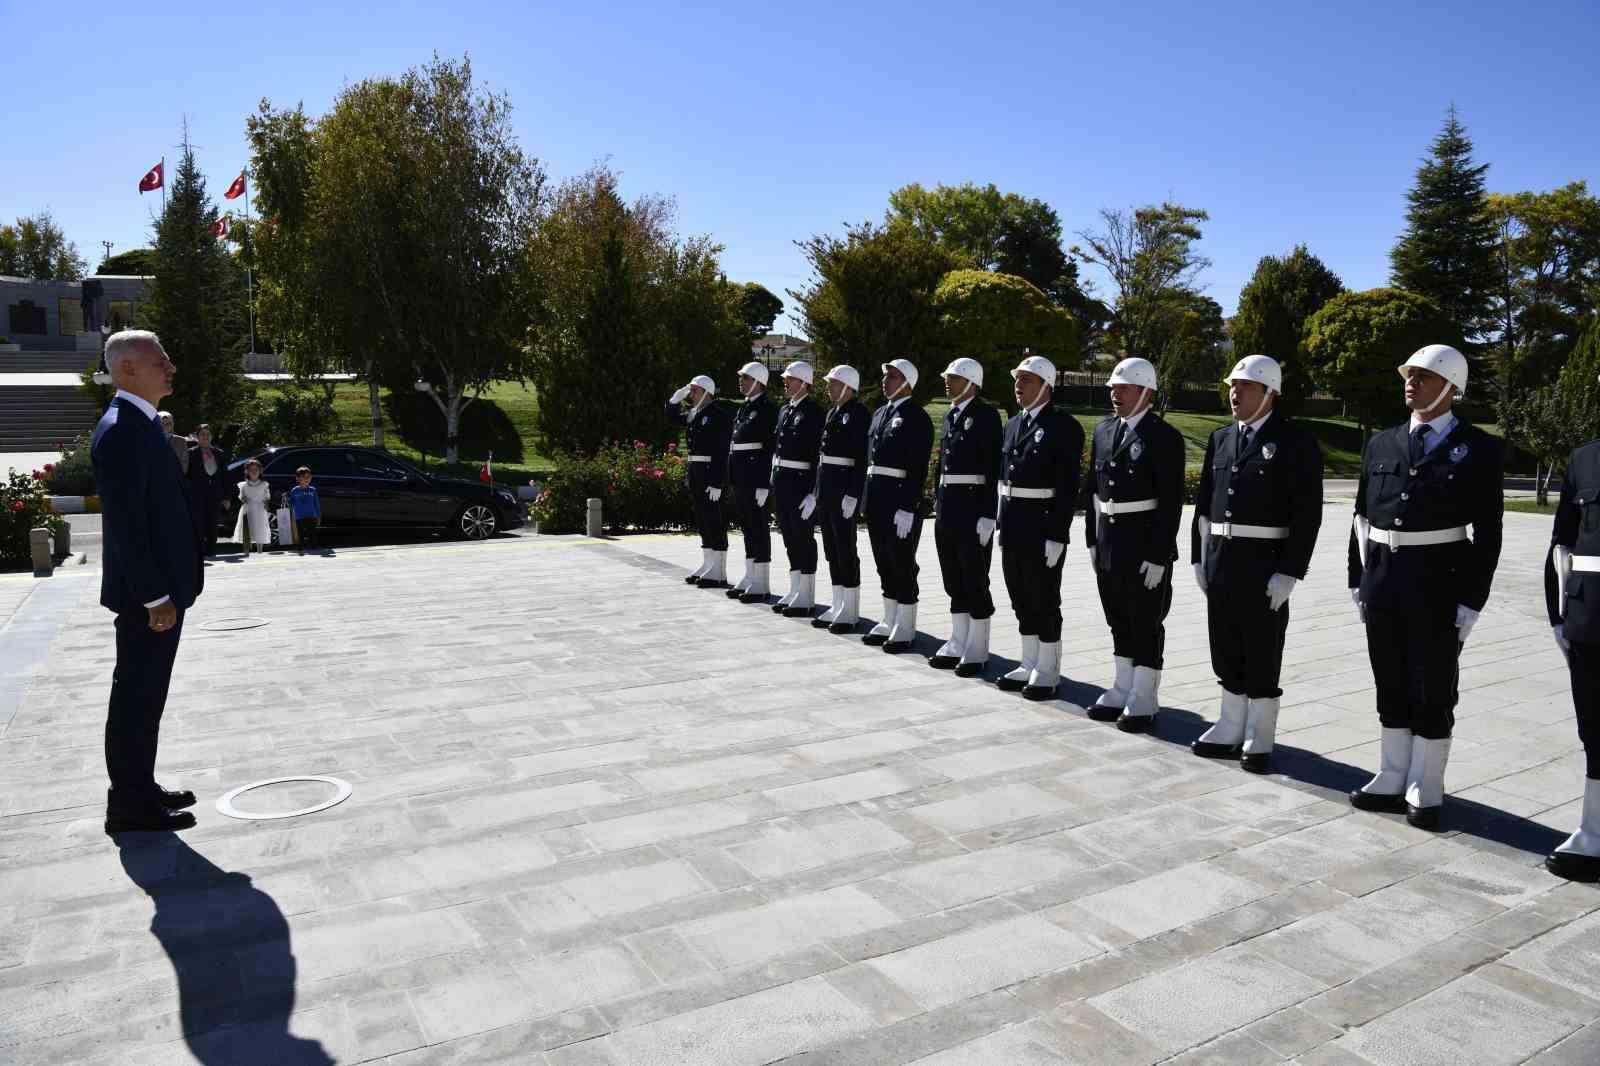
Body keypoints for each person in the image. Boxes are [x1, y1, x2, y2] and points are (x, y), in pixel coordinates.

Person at [1348, 344, 1503, 830]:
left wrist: (1471, 600)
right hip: (1384, 582)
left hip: (1438, 584)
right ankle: (1393, 773)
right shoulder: (1383, 443)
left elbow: (1489, 533)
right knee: (1389, 678)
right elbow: (1359, 514)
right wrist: (1357, 578)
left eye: (1423, 376)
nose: (1410, 383)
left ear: (1452, 387)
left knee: (1433, 685)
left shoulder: (1478, 448)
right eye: (1408, 375)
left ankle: (1426, 784)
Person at [91, 330, 203, 834]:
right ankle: (129, 805)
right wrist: (155, 595)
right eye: (162, 360)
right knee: (136, 696)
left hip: (159, 591)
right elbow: (127, 525)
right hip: (148, 598)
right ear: (129, 369)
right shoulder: (122, 430)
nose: (172, 367)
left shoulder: (141, 423)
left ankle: (139, 785)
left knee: (147, 696)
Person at [1189, 356, 1324, 772]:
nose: (1235, 393)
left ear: (1269, 393)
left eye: (1245, 387)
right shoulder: (1221, 438)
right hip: (1222, 560)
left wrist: (1290, 570)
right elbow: (1204, 504)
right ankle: (1230, 724)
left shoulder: (1295, 441)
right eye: (1233, 386)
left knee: (1262, 649)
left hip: (1264, 565)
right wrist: (1198, 556)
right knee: (1224, 645)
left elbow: (1307, 512)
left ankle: (1259, 735)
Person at [1083, 357, 1185, 732]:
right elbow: (1092, 491)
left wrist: (1160, 553)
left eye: (1123, 388)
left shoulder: (1164, 437)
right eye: (1113, 387)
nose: (1115, 393)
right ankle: (1122, 685)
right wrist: (1092, 539)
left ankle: (1144, 696)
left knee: (1145, 620)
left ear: (1146, 392)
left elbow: (1171, 500)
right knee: (1117, 618)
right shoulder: (1105, 430)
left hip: (1143, 544)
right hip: (1110, 541)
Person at [994, 354, 1084, 697]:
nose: (1018, 386)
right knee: (1019, 595)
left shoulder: (1064, 426)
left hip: (1042, 524)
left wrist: (1057, 534)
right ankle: (1028, 662)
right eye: (1017, 380)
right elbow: (1006, 479)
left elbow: (1067, 486)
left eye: (1026, 381)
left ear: (1046, 386)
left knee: (1043, 596)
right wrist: (1000, 519)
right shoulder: (1013, 424)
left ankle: (1048, 670)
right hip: (1014, 522)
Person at [1545, 427, 1600, 882]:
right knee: (1595, 731)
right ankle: (1594, 831)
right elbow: (1562, 541)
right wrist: (1558, 615)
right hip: (1590, 617)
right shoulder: (1584, 458)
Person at [930, 357, 1003, 676]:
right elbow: (942, 467)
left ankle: (977, 648)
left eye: (954, 377)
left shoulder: (985, 415)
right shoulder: (951, 415)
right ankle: (958, 640)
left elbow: (992, 468)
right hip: (949, 506)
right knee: (953, 577)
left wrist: (989, 513)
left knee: (974, 576)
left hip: (973, 508)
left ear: (972, 382)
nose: (948, 381)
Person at [862, 358, 934, 653]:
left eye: (891, 376)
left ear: (906, 381)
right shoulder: (879, 413)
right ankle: (889, 618)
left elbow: (917, 465)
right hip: (877, 498)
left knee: (901, 561)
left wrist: (908, 505)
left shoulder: (916, 417)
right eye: (886, 376)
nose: (885, 380)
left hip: (898, 500)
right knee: (883, 561)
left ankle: (904, 626)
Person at [811, 365, 869, 634]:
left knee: (845, 548)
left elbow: (861, 459)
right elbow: (822, 459)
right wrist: (816, 491)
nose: (828, 388)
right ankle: (838, 602)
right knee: (831, 549)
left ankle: (850, 609)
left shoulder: (858, 414)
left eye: (833, 383)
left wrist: (853, 493)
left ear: (848, 386)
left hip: (843, 490)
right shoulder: (832, 413)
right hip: (827, 489)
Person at [769, 361, 825, 617]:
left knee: (803, 538)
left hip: (801, 484)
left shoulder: (814, 412)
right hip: (782, 482)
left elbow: (818, 455)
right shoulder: (785, 410)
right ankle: (795, 589)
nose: (785, 382)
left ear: (804, 382)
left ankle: (807, 595)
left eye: (790, 379)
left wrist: (814, 492)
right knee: (789, 537)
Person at [667, 374, 732, 588]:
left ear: (706, 392)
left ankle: (719, 570)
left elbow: (722, 452)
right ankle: (708, 564)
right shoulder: (695, 413)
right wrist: (674, 401)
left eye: (694, 390)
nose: (691, 394)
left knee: (714, 519)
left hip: (709, 471)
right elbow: (673, 418)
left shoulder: (717, 415)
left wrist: (716, 481)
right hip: (695, 470)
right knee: (702, 519)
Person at [725, 361, 778, 603]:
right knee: (746, 527)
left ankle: (762, 582)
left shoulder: (767, 408)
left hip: (755, 477)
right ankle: (750, 575)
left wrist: (764, 484)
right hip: (741, 476)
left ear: (758, 381)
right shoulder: (745, 407)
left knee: (758, 527)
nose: (741, 381)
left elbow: (769, 449)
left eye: (745, 377)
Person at [186, 424, 230, 557]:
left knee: (212, 522)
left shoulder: (219, 453)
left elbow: (225, 476)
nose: (205, 437)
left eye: (207, 434)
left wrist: (226, 497)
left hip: (214, 494)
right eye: (202, 434)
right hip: (197, 495)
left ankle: (211, 550)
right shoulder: (191, 453)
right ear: (197, 437)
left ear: (211, 437)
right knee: (198, 523)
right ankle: (199, 550)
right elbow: (186, 475)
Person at [234, 459, 272, 555]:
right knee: (247, 528)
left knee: (260, 528)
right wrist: (243, 499)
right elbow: (241, 496)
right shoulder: (243, 485)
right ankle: (246, 550)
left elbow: (267, 496)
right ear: (247, 471)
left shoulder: (264, 484)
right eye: (251, 470)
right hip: (248, 509)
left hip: (260, 509)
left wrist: (266, 504)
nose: (254, 472)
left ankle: (260, 550)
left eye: (256, 469)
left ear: (260, 471)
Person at [288, 467, 322, 554]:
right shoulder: (295, 490)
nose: (307, 479)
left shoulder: (313, 490)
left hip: (311, 515)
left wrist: (318, 516)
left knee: (312, 532)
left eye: (309, 477)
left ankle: (314, 546)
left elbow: (317, 504)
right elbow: (291, 503)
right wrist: (288, 503)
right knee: (300, 533)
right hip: (299, 516)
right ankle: (300, 546)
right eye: (304, 477)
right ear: (298, 479)